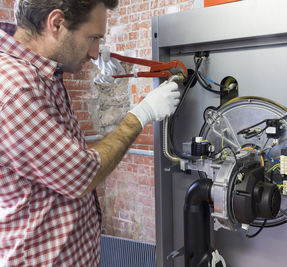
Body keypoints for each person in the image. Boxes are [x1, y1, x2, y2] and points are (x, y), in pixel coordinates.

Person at [0, 0, 180, 266]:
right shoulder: (17, 90)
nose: (96, 53)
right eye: (93, 38)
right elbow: (82, 174)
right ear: (57, 23)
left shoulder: (41, 74)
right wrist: (142, 114)